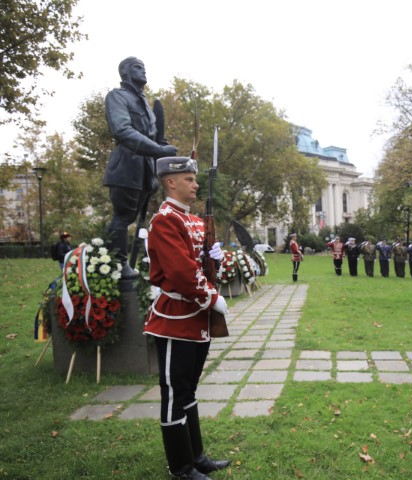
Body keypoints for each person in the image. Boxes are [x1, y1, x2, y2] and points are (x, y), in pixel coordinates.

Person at [144, 156, 229, 480]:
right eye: (189, 179)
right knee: (173, 391)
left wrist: (216, 260)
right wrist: (212, 297)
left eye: (195, 179)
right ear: (170, 182)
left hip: (196, 318)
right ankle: (181, 467)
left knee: (188, 388)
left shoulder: (191, 219)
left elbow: (199, 264)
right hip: (175, 316)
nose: (195, 184)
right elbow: (180, 272)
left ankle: (197, 457)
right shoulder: (165, 219)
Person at [103, 57, 178, 279]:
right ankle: (116, 265)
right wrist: (157, 149)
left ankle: (123, 266)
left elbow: (154, 137)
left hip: (145, 171)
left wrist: (165, 150)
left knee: (134, 219)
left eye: (144, 67)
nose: (143, 71)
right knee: (123, 217)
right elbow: (122, 131)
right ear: (125, 73)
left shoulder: (144, 102)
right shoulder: (117, 96)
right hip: (126, 167)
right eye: (137, 67)